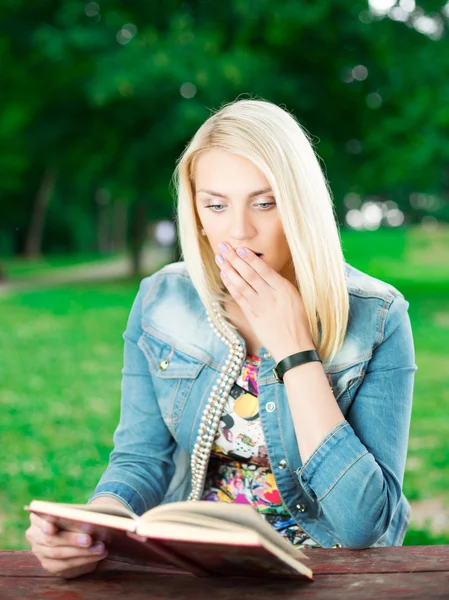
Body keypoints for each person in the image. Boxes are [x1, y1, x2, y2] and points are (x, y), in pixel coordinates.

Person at [26, 98, 417, 578]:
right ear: (195, 211)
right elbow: (141, 459)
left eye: (265, 202)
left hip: (324, 570)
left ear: (300, 206)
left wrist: (295, 350)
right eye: (216, 205)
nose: (239, 231)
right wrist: (92, 528)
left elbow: (365, 525)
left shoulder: (377, 316)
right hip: (193, 567)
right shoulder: (161, 298)